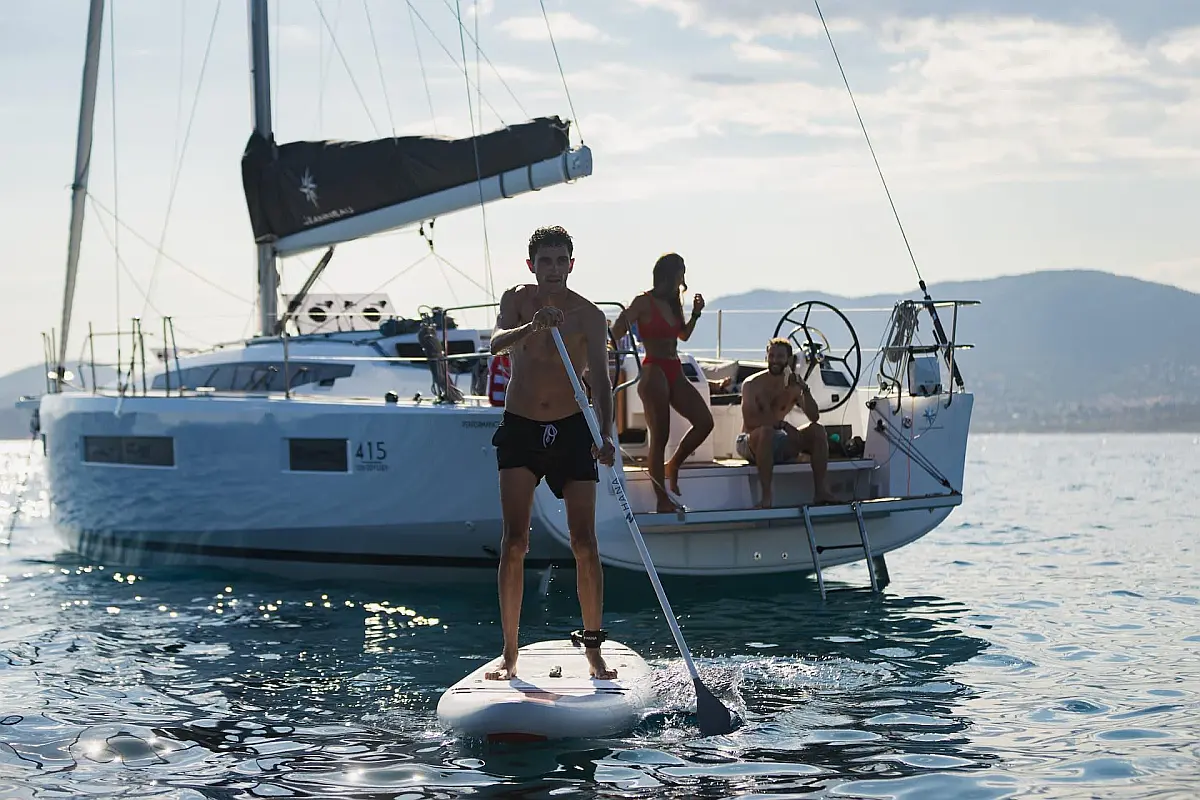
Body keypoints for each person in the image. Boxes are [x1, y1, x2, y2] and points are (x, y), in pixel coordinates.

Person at [485, 225, 618, 682]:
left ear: (572, 264)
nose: (554, 269)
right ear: (532, 265)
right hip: (521, 427)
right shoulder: (516, 300)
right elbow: (496, 346)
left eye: (562, 261)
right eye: (546, 261)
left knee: (585, 543)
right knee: (514, 543)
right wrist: (533, 325)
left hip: (572, 429)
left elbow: (601, 379)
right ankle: (509, 653)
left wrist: (605, 433)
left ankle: (594, 650)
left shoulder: (589, 315)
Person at [611, 253, 713, 513]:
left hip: (674, 368)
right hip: (653, 369)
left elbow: (683, 335)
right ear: (669, 274)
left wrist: (696, 314)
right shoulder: (643, 301)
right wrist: (607, 338)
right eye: (680, 272)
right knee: (660, 437)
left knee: (705, 422)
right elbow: (618, 329)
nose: (683, 278)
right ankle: (661, 499)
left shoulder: (674, 302)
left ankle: (674, 464)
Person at [736, 337, 839, 509]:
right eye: (771, 356)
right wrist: (783, 426)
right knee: (766, 431)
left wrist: (805, 389)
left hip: (778, 440)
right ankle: (766, 498)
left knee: (817, 430)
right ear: (766, 357)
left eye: (780, 356)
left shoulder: (794, 386)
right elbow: (750, 421)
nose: (775, 360)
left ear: (789, 359)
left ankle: (821, 492)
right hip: (750, 441)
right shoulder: (752, 384)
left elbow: (814, 417)